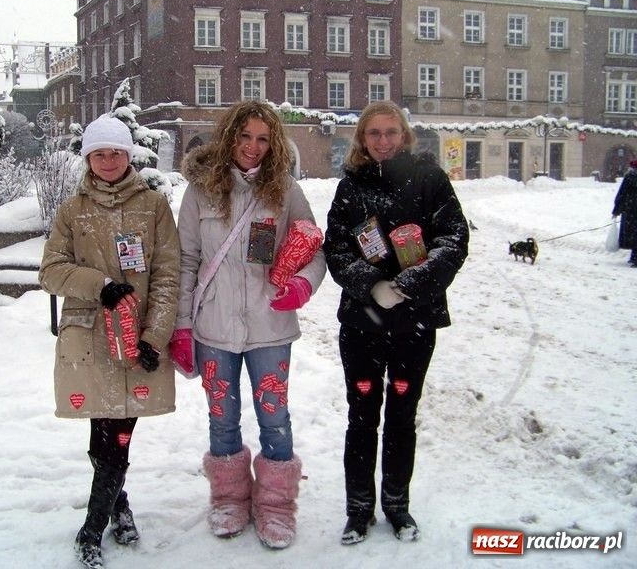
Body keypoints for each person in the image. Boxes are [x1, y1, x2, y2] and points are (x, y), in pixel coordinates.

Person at [171, 101, 326, 549]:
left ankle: (276, 504)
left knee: (274, 417)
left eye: (262, 139)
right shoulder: (200, 191)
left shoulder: (287, 190)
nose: (253, 148)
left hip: (271, 328)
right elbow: (186, 260)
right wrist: (182, 327)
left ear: (273, 143)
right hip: (214, 327)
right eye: (244, 137)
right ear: (229, 137)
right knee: (223, 417)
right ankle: (230, 497)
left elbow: (314, 248)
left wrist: (302, 285)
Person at [323, 101, 469, 544]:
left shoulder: (430, 180)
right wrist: (370, 285)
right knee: (362, 415)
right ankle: (359, 509)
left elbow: (454, 239)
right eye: (374, 134)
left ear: (404, 135)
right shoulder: (351, 188)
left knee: (403, 415)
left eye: (391, 132)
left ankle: (397, 505)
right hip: (363, 325)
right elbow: (337, 248)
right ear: (362, 140)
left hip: (414, 324)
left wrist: (410, 283)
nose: (383, 141)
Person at [38, 115, 180, 569]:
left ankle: (91, 529)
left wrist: (155, 335)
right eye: (98, 153)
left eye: (115, 152)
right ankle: (118, 508)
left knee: (118, 434)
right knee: (101, 434)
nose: (108, 160)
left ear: (128, 154)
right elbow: (51, 270)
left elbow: (167, 275)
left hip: (135, 335)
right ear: (87, 158)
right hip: (90, 337)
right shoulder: (72, 209)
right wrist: (98, 284)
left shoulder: (154, 204)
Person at [612, 158, 637, 267]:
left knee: (633, 235)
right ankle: (634, 257)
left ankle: (634, 257)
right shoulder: (630, 177)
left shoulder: (629, 177)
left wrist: (616, 210)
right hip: (631, 209)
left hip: (630, 210)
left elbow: (622, 194)